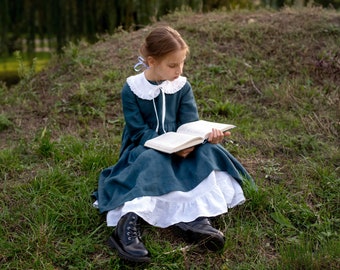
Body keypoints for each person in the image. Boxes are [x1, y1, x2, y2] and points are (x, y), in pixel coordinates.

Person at [93, 26, 254, 263]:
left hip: (182, 146)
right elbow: (138, 132)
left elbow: (189, 123)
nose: (179, 70)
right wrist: (167, 146)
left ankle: (194, 219)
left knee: (208, 151)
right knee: (154, 160)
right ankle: (128, 225)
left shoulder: (182, 86)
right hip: (145, 147)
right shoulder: (132, 89)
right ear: (151, 61)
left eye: (182, 63)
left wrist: (204, 137)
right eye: (172, 65)